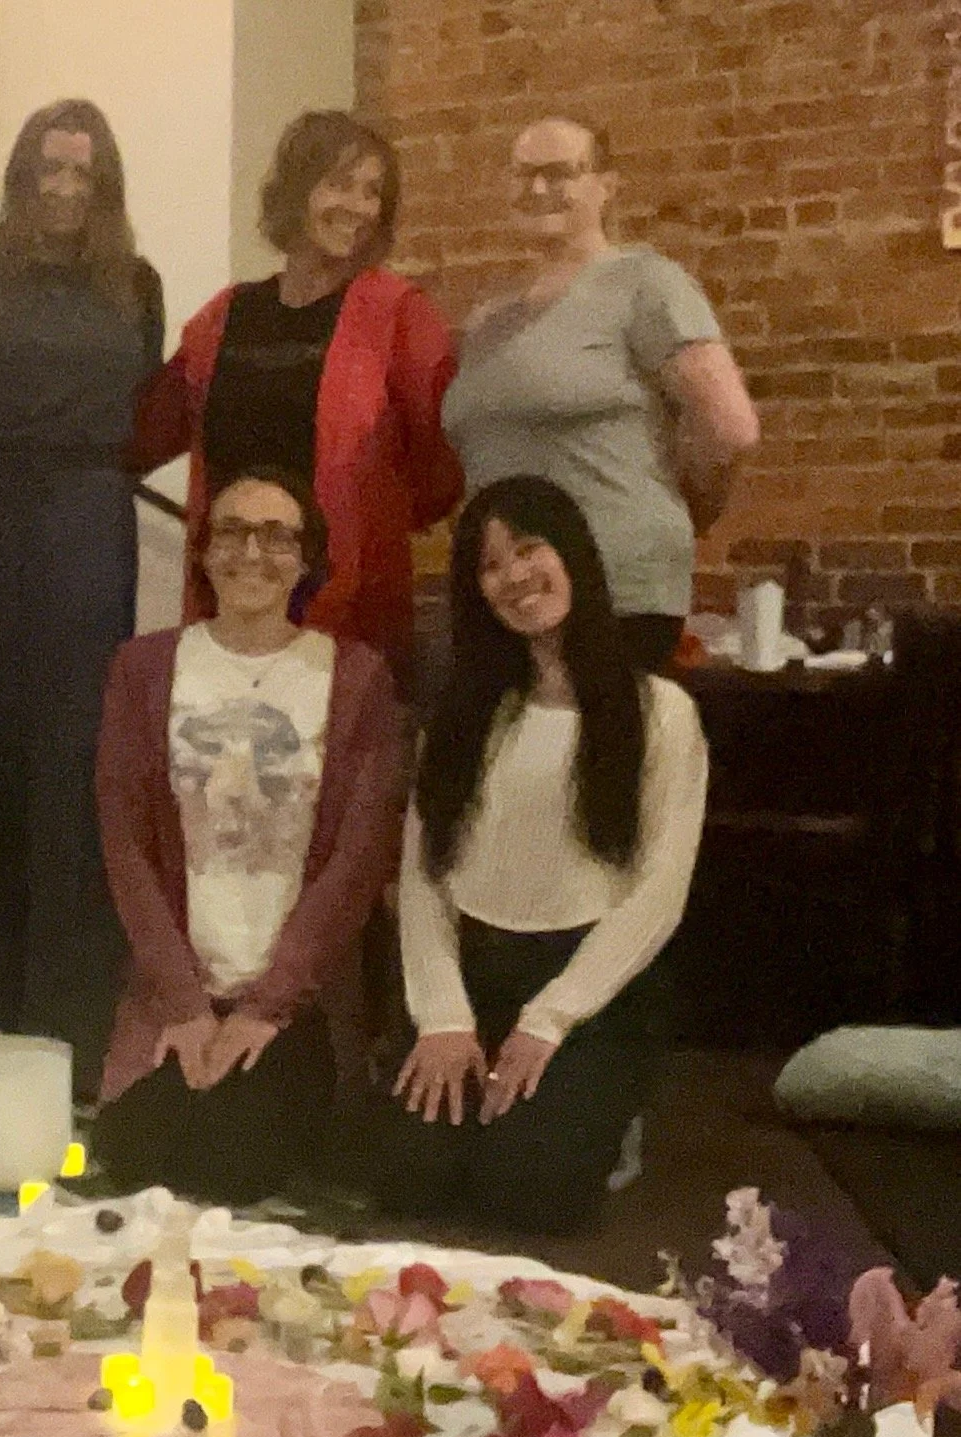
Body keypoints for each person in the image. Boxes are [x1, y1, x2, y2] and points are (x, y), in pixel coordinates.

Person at [372, 475, 708, 1235]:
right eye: (491, 566)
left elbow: (659, 891)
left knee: (529, 1195)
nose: (515, 577)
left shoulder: (660, 712)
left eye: (529, 550)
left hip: (588, 990)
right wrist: (442, 1017)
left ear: (573, 556)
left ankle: (608, 1119)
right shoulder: (462, 711)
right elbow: (423, 876)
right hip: (472, 975)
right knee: (404, 1174)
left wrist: (551, 1019)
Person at [0, 100, 164, 1091]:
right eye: (47, 169)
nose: (64, 189)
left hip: (85, 527)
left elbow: (149, 410)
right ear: (20, 175)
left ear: (102, 185)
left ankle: (59, 1025)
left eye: (82, 173)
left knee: (72, 761)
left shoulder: (134, 283)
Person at [91, 467, 407, 1205]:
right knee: (135, 1150)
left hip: (292, 999)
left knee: (230, 1165)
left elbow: (358, 862)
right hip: (180, 992)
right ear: (203, 551)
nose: (251, 553)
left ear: (307, 559)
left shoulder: (355, 677)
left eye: (277, 536)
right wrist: (185, 1006)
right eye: (231, 532)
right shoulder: (144, 669)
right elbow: (126, 843)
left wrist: (267, 1005)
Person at [132, 111, 462, 682]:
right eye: (338, 183)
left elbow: (440, 469)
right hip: (230, 603)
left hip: (347, 617)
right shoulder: (225, 316)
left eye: (372, 191)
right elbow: (140, 436)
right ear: (295, 190)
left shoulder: (399, 316)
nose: (357, 206)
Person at [440, 117, 760, 673]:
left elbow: (729, 428)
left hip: (614, 590)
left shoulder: (647, 283)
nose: (538, 189)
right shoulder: (490, 320)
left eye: (559, 173)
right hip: (503, 594)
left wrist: (674, 514)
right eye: (523, 174)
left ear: (606, 185)